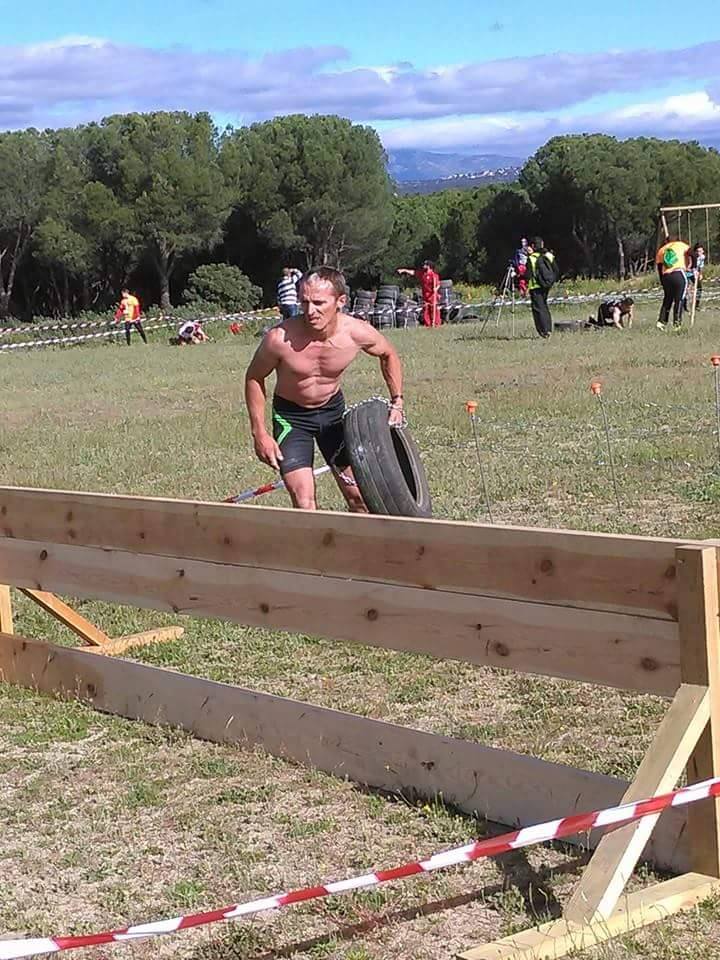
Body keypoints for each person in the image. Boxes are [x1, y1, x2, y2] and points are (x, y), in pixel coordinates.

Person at [244, 266, 405, 512]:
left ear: (340, 301)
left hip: (333, 416)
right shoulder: (279, 339)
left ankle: (357, 550)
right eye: (304, 302)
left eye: (319, 303)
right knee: (304, 502)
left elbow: (388, 353)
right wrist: (260, 433)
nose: (310, 311)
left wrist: (397, 401)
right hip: (292, 419)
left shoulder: (356, 333)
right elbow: (254, 377)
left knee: (359, 499)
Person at [655, 236, 692, 330]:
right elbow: (693, 254)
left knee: (667, 299)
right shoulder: (681, 245)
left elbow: (659, 268)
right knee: (679, 299)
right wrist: (693, 267)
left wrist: (662, 282)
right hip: (678, 274)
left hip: (666, 276)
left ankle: (661, 322)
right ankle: (677, 324)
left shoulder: (661, 250)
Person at [526, 237, 558, 338]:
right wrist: (550, 281)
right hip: (546, 285)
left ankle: (543, 331)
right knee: (544, 306)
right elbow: (556, 270)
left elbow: (528, 275)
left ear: (532, 246)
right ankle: (548, 329)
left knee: (538, 309)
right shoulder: (549, 255)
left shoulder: (531, 258)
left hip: (535, 286)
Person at [396, 260, 441, 327]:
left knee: (434, 310)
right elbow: (413, 272)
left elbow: (438, 284)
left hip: (432, 296)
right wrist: (404, 270)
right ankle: (428, 325)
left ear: (429, 266)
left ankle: (436, 324)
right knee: (426, 310)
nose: (424, 266)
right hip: (425, 296)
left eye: (426, 265)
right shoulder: (422, 274)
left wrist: (436, 289)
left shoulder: (434, 275)